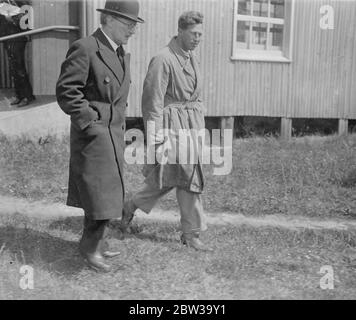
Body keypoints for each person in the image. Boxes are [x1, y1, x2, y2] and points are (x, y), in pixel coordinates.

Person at [56, 0, 144, 272]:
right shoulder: (86, 47)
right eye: (129, 25)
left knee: (107, 191)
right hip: (95, 135)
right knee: (98, 193)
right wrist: (90, 121)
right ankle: (89, 249)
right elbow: (67, 91)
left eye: (133, 26)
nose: (132, 31)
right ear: (109, 20)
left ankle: (94, 244)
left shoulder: (117, 51)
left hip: (113, 131)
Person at [122, 11, 213, 252]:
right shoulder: (163, 59)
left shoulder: (192, 57)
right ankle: (191, 233)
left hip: (191, 125)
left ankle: (127, 209)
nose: (197, 39)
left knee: (168, 179)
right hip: (171, 126)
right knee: (186, 178)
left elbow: (196, 94)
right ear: (181, 31)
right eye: (194, 34)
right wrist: (156, 135)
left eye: (200, 35)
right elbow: (152, 101)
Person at [0, 0, 35, 107]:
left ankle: (26, 96)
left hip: (18, 36)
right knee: (14, 67)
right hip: (7, 36)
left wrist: (11, 19)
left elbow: (27, 14)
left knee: (19, 67)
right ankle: (20, 95)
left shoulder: (20, 1)